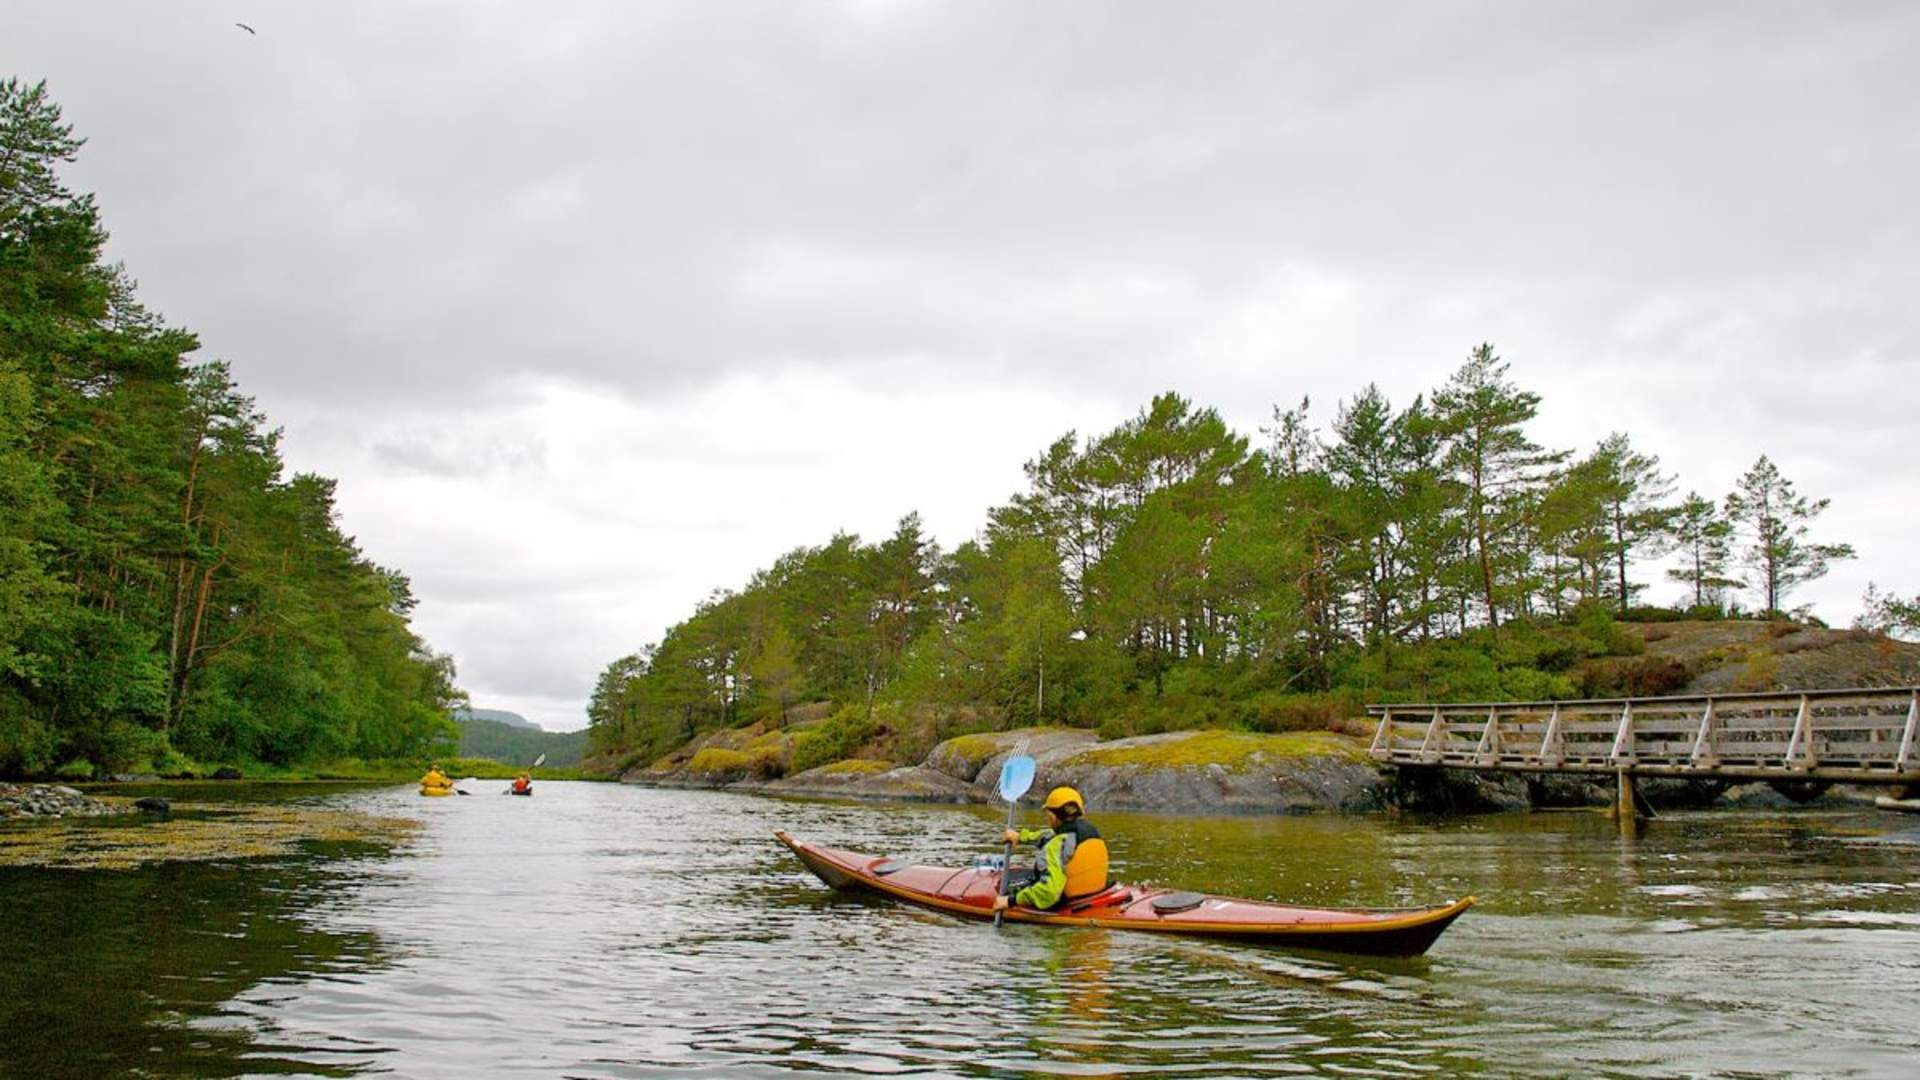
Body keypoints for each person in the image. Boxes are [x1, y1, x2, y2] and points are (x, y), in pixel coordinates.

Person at [992, 785, 1110, 912]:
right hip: (1095, 891)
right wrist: (1020, 837)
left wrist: (1010, 901)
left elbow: (1048, 893)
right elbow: (1050, 836)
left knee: (1013, 887)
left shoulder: (1054, 847)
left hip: (1065, 901)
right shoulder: (1088, 831)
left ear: (1052, 816)